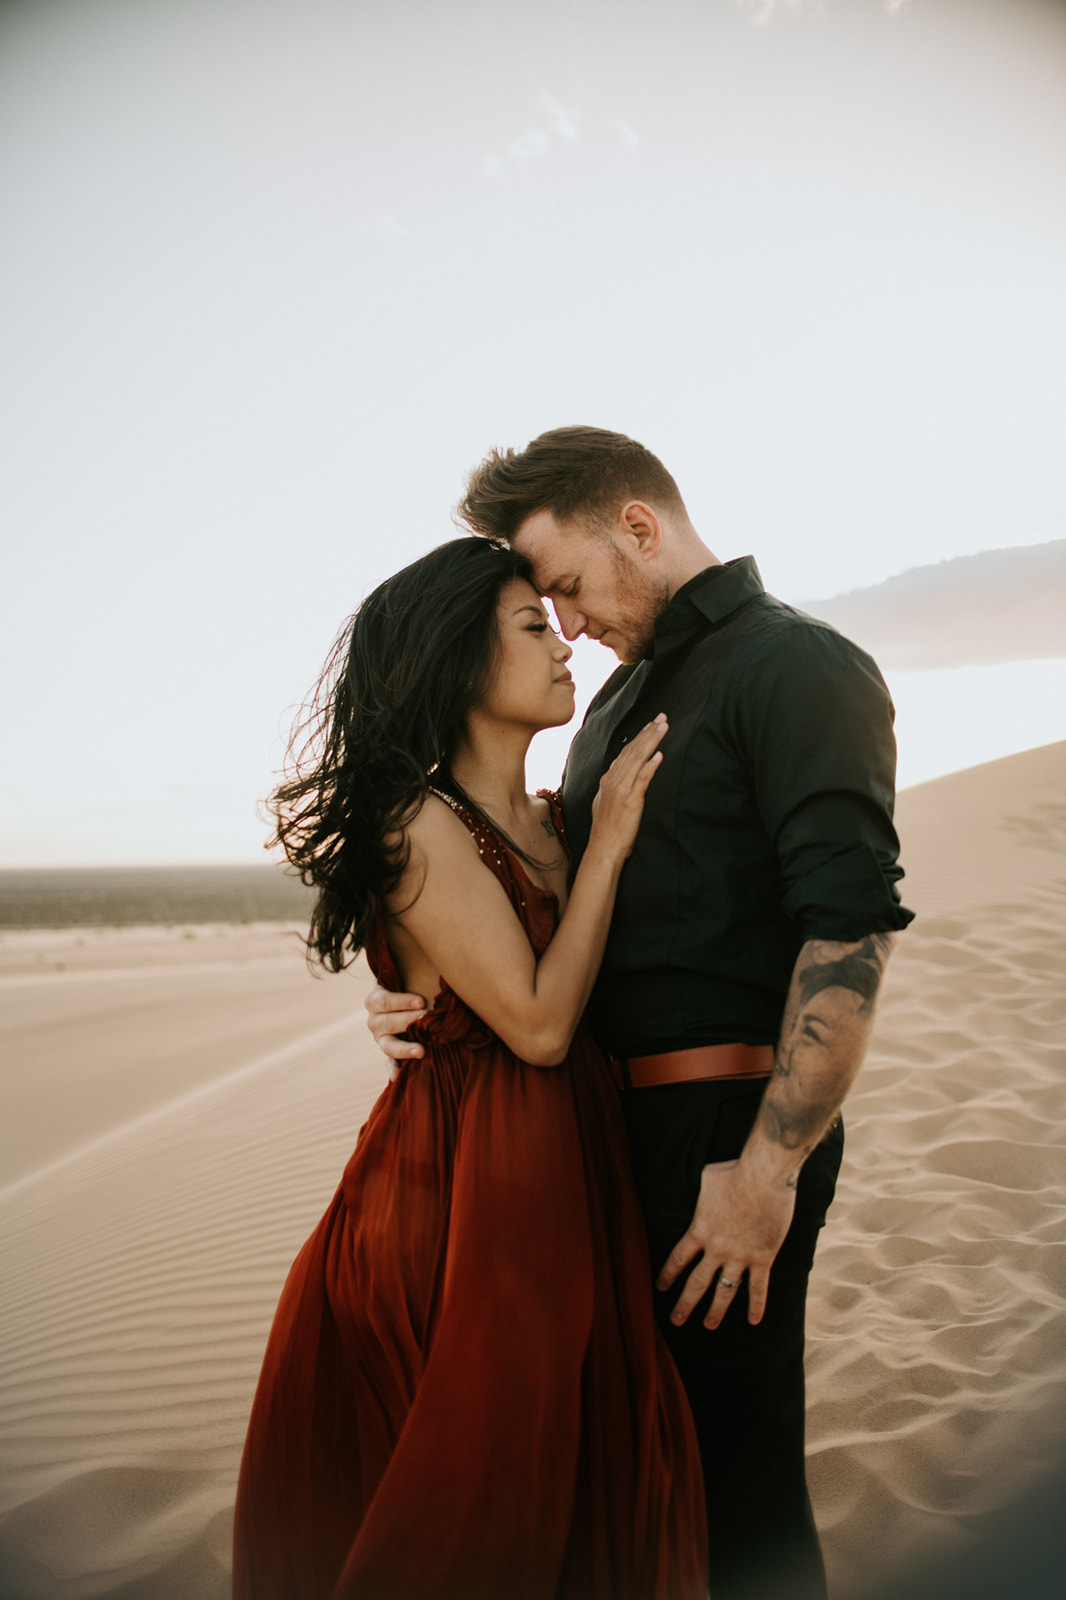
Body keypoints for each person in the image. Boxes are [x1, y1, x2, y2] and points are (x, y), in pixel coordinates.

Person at [367, 427, 915, 1600]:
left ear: (638, 526)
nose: (565, 623)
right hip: (601, 1152)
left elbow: (849, 930)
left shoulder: (796, 666)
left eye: (565, 586)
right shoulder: (616, 707)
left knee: (739, 1488)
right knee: (642, 1491)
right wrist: (421, 994)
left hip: (726, 1140)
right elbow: (531, 914)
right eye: (543, 607)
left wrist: (767, 1170)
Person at [232, 536, 707, 1600]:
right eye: (532, 626)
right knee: (481, 1511)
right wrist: (612, 846)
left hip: (558, 1179)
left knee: (577, 1493)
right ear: (459, 661)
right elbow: (538, 1026)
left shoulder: (548, 818)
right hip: (455, 1208)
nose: (563, 643)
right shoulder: (416, 824)